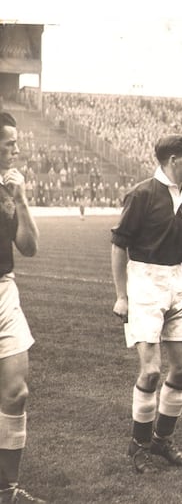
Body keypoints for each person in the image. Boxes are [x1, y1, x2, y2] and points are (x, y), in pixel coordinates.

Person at [111, 134, 182, 473]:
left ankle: (162, 441)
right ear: (172, 160)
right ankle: (138, 445)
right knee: (150, 371)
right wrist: (122, 296)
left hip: (177, 280)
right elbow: (119, 246)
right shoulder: (143, 194)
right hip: (145, 281)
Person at [0, 113, 44, 503]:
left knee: (16, 392)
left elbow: (29, 248)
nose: (16, 150)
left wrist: (22, 200)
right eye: (9, 143)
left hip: (4, 290)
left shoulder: (8, 188)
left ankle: (8, 490)